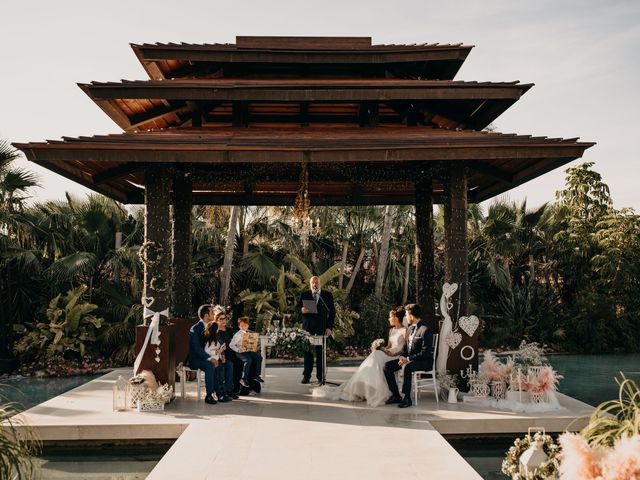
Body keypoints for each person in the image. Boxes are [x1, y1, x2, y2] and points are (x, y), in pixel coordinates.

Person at [313, 308, 407, 407]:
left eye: (390, 317)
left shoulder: (404, 330)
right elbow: (389, 346)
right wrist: (380, 347)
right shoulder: (391, 330)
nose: (389, 319)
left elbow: (403, 349)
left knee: (377, 355)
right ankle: (367, 388)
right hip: (388, 353)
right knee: (376, 354)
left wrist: (390, 353)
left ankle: (372, 389)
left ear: (396, 318)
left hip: (395, 356)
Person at [383, 303, 434, 408]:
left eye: (406, 315)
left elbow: (426, 352)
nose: (405, 318)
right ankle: (396, 396)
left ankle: (407, 398)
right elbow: (406, 348)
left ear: (411, 316)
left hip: (424, 362)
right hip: (410, 359)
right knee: (387, 366)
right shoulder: (410, 329)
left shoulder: (425, 330)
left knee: (408, 367)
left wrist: (408, 359)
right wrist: (403, 357)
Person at [296, 276, 336, 384]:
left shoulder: (327, 295)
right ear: (310, 284)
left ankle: (320, 377)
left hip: (321, 328)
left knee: (320, 353)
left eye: (316, 283)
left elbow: (332, 313)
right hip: (308, 328)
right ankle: (306, 376)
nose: (314, 285)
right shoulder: (305, 294)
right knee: (308, 352)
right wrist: (301, 310)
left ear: (320, 284)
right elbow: (297, 308)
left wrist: (329, 327)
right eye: (312, 283)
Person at [188, 304, 219, 405]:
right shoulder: (195, 328)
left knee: (226, 364)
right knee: (210, 365)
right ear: (206, 315)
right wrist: (210, 358)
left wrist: (219, 355)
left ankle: (221, 392)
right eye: (212, 313)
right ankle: (209, 395)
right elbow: (197, 348)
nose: (214, 314)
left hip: (208, 357)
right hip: (196, 359)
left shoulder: (212, 327)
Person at [229, 316, 264, 387]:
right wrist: (238, 349)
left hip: (247, 350)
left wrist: (254, 346)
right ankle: (244, 378)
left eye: (245, 325)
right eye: (241, 326)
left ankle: (257, 375)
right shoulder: (238, 334)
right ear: (239, 326)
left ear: (247, 325)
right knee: (248, 360)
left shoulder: (249, 333)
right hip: (240, 352)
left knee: (259, 357)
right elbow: (231, 345)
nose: (243, 327)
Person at [201, 320, 229, 403]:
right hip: (210, 361)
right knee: (217, 374)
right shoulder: (209, 341)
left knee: (221, 374)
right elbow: (207, 352)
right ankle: (219, 394)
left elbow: (218, 351)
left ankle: (221, 393)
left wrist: (221, 355)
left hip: (216, 360)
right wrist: (219, 351)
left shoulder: (216, 339)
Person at [215, 311, 238, 400]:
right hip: (221, 354)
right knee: (229, 364)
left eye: (225, 318)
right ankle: (225, 392)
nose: (224, 321)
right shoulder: (216, 331)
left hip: (231, 353)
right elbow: (218, 346)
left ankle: (230, 391)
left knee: (239, 362)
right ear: (216, 320)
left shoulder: (229, 330)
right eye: (221, 319)